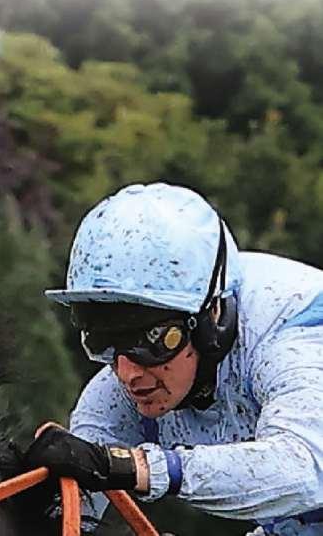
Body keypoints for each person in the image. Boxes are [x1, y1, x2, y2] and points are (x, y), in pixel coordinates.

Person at [24, 183, 323, 535]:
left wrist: (135, 467)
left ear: (211, 318)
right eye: (105, 341)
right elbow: (69, 513)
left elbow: (305, 469)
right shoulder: (119, 389)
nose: (128, 373)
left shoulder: (295, 338)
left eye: (151, 342)